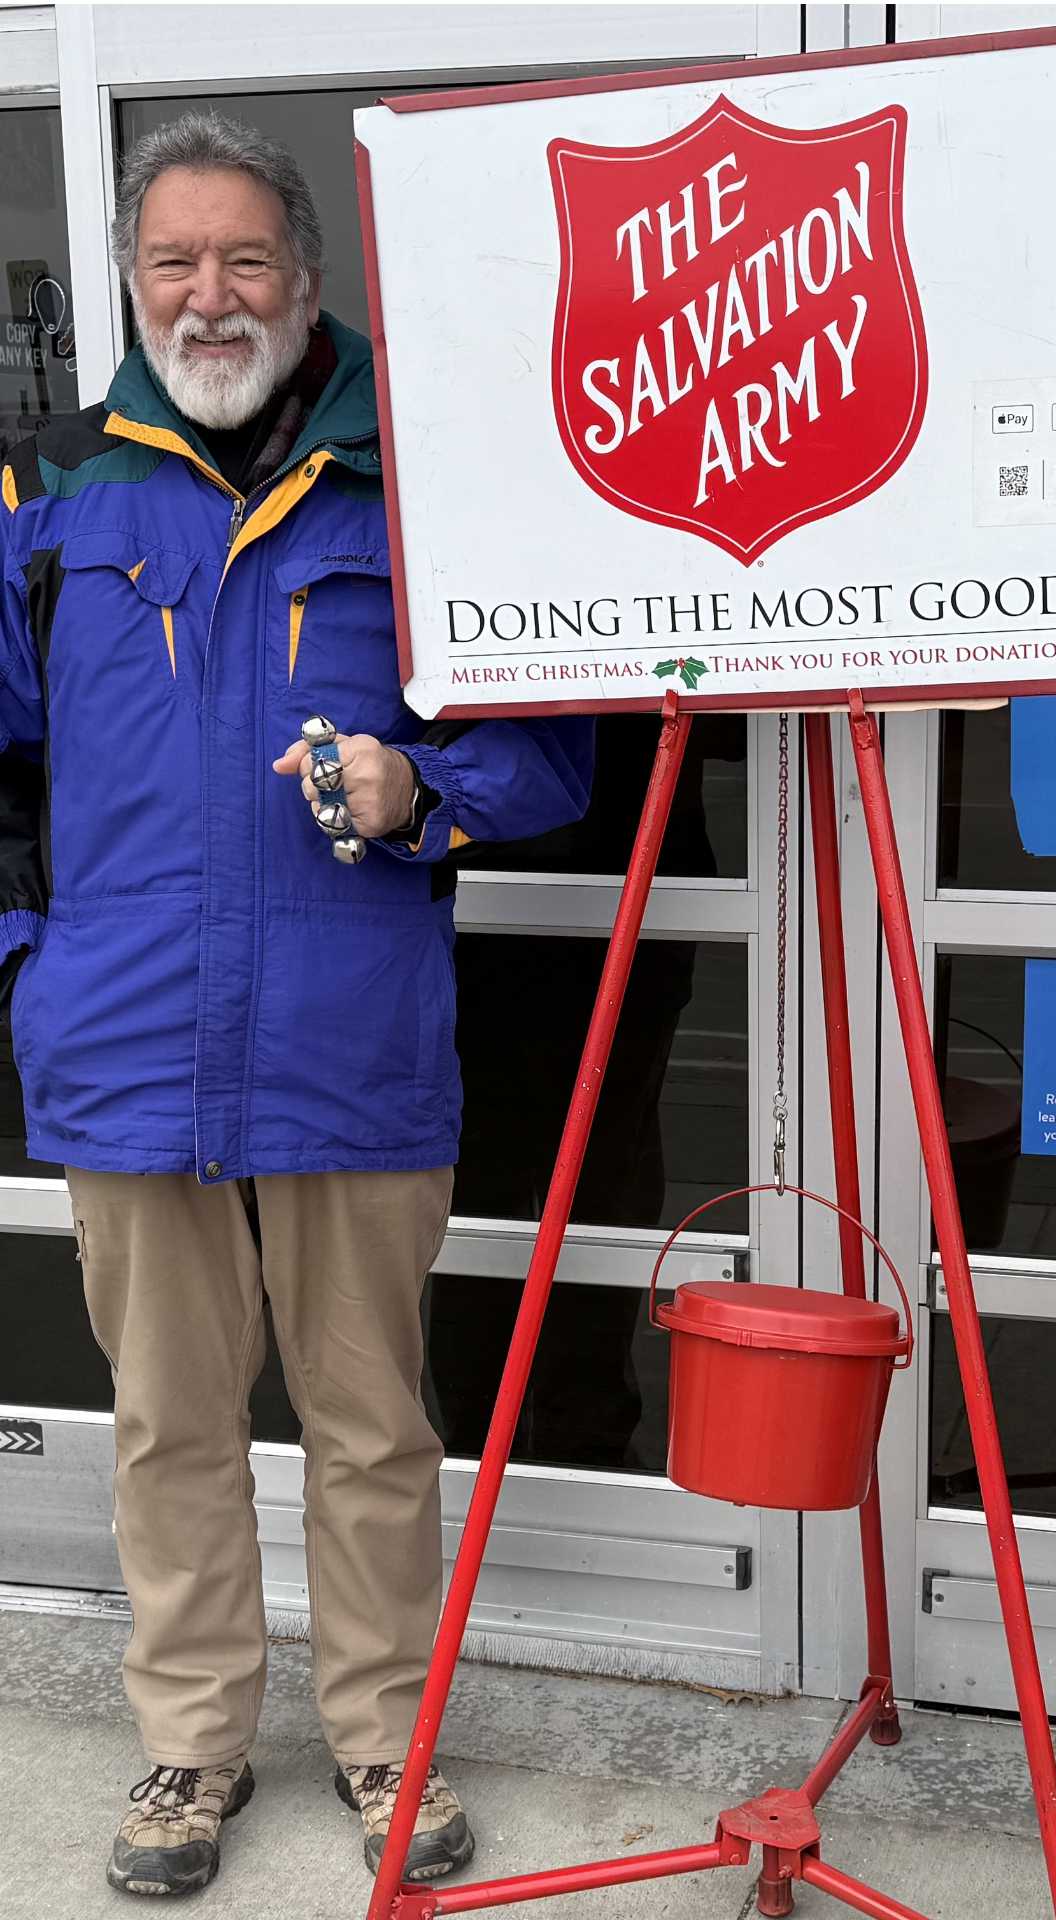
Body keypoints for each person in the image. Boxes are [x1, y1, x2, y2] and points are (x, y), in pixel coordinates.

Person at [0, 112, 593, 1898]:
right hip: (124, 1047)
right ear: (130, 282)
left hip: (353, 1036)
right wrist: (30, 967)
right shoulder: (48, 496)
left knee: (369, 1421)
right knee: (171, 1424)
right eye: (174, 261)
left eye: (245, 258)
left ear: (308, 278)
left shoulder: (418, 487)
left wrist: (425, 790)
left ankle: (383, 1731)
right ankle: (190, 1746)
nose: (210, 295)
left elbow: (548, 749)